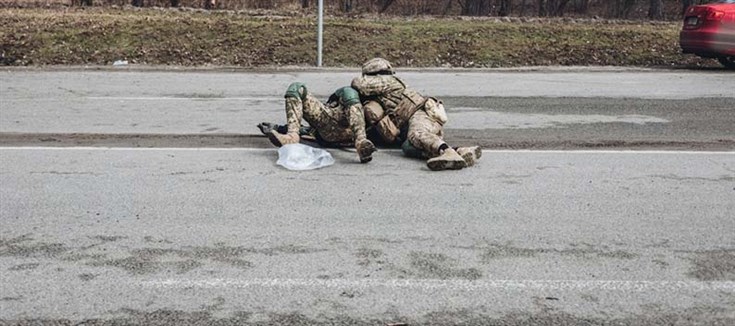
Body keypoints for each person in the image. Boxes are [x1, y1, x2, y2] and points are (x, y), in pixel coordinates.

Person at [351, 57, 481, 171]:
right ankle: (462, 151)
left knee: (417, 136)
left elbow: (359, 84)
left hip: (418, 113)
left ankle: (448, 153)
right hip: (422, 117)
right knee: (410, 147)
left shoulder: (387, 81)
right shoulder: (388, 86)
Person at [264, 82, 377, 163]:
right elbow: (310, 130)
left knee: (349, 92)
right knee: (297, 89)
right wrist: (280, 128)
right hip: (334, 125)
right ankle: (292, 136)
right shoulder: (373, 91)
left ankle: (361, 143)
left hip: (347, 131)